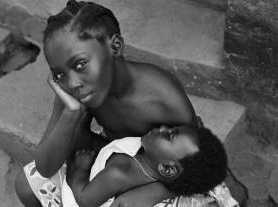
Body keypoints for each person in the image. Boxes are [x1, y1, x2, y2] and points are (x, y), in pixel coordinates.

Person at [15, 1, 239, 207]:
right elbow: (45, 167)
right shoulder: (77, 89)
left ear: (115, 47)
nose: (72, 82)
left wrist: (157, 192)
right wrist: (70, 113)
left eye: (81, 64)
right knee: (26, 185)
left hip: (162, 177)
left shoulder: (163, 97)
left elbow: (191, 163)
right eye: (59, 74)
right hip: (116, 160)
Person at [66, 125, 227, 207]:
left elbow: (84, 200)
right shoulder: (153, 164)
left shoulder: (118, 173)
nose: (163, 127)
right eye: (171, 128)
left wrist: (81, 169)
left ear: (166, 168)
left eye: (169, 135)